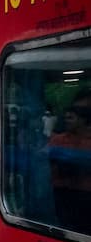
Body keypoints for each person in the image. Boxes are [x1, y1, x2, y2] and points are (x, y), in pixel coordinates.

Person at [48, 89, 91, 233]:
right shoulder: (58, 139)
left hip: (86, 196)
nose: (68, 115)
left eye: (78, 111)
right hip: (62, 194)